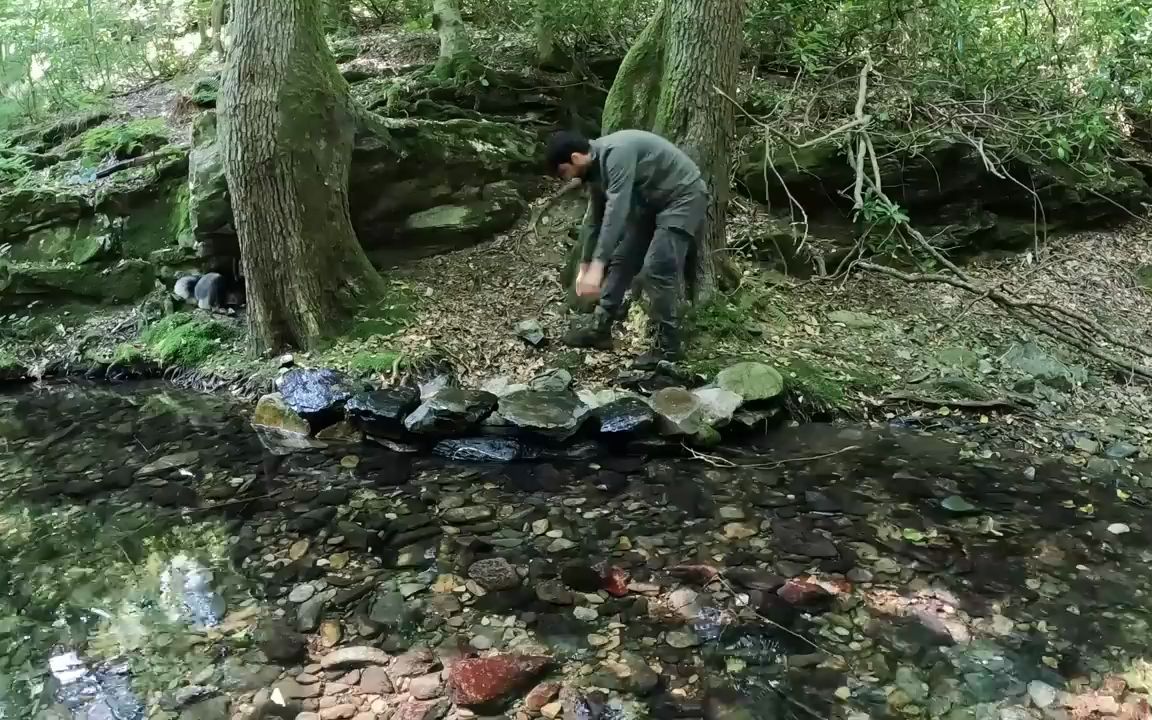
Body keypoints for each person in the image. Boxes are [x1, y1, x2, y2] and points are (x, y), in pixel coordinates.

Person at [545, 128, 708, 368]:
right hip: (650, 206)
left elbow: (617, 211)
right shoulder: (594, 171)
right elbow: (595, 220)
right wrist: (585, 265)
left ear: (576, 158)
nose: (567, 179)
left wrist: (598, 266)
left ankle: (669, 349)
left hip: (682, 198)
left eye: (564, 172)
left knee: (656, 270)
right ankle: (600, 329)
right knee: (622, 260)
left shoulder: (616, 154)